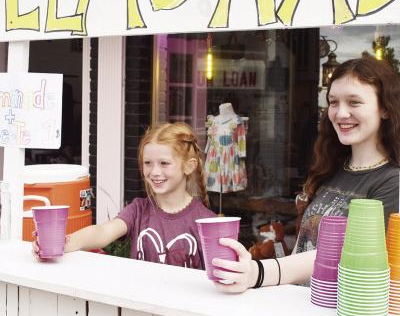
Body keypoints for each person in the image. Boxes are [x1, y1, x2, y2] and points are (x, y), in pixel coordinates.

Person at [210, 57, 400, 292]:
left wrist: (259, 273)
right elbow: (306, 245)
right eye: (333, 102)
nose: (341, 113)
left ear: (384, 109)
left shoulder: (392, 182)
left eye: (354, 102)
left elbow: (342, 254)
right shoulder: (332, 168)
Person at [33, 122, 215, 269]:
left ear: (189, 166)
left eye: (164, 163)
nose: (154, 171)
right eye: (148, 163)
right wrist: (61, 243)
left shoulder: (206, 221)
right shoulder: (138, 209)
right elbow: (103, 232)